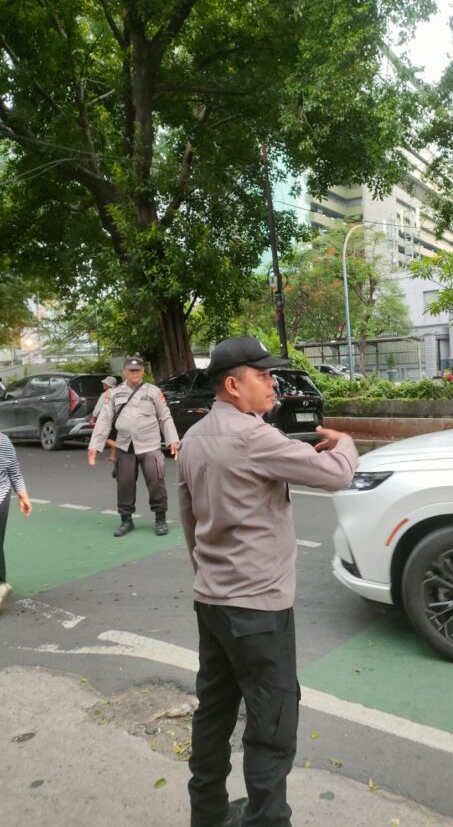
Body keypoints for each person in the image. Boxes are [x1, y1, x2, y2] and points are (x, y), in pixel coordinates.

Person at [177, 336, 358, 827]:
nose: (273, 382)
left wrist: (211, 577)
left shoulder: (193, 438)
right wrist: (346, 443)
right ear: (233, 385)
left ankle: (208, 815)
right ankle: (268, 820)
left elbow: (190, 521)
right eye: (263, 375)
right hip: (258, 609)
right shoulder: (254, 438)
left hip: (212, 602)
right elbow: (335, 474)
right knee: (272, 726)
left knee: (213, 712)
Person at [88, 356, 179, 537]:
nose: (135, 373)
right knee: (125, 483)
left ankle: (160, 518)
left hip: (150, 444)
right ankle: (126, 520)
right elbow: (104, 420)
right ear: (124, 372)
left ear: (143, 371)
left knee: (156, 482)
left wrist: (172, 440)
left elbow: (165, 417)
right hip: (124, 445)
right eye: (131, 370)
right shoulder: (113, 394)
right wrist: (95, 446)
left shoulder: (153, 392)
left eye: (138, 370)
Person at [0, 433, 32, 611]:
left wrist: (23, 496)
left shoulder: (3, 443)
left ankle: (0, 585)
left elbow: (13, 471)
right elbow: (14, 472)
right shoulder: (4, 441)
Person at [91, 375, 118, 462]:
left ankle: (118, 446)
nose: (103, 384)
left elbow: (98, 407)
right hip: (118, 419)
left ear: (108, 384)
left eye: (104, 383)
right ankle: (112, 456)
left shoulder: (105, 394)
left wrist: (93, 418)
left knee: (102, 437)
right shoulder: (117, 392)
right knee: (113, 436)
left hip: (107, 419)